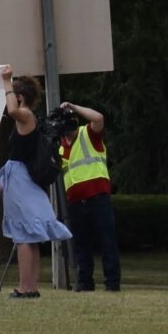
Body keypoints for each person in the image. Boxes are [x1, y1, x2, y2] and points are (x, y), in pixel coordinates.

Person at [0, 69, 72, 298]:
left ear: (20, 97)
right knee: (29, 236)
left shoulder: (25, 114)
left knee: (23, 236)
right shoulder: (28, 117)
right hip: (19, 177)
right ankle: (31, 286)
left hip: (21, 180)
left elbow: (12, 110)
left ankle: (26, 288)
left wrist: (7, 81)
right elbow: (13, 161)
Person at [55, 97, 120, 292]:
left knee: (107, 241)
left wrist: (73, 107)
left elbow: (98, 118)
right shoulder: (60, 147)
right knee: (81, 245)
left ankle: (112, 283)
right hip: (75, 203)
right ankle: (85, 283)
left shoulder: (88, 134)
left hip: (97, 197)